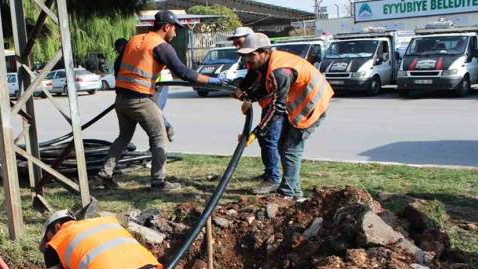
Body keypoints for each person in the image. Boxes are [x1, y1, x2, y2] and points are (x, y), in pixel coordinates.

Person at [98, 10, 224, 192]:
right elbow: (184, 73)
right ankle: (159, 182)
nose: (176, 33)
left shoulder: (134, 40)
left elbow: (120, 67)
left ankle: (105, 173)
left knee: (124, 137)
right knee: (159, 137)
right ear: (167, 27)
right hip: (139, 100)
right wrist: (212, 80)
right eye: (175, 29)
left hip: (121, 99)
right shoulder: (160, 46)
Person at [234, 32, 333, 200]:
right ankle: (295, 194)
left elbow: (277, 107)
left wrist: (257, 131)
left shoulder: (280, 71)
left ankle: (287, 193)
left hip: (312, 106)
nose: (248, 60)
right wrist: (249, 96)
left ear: (265, 52)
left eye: (252, 55)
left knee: (290, 148)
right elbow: (267, 89)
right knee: (283, 145)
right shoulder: (268, 64)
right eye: (246, 55)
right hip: (298, 106)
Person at [229, 28, 281, 188]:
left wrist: (249, 97)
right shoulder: (252, 57)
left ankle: (273, 178)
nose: (236, 45)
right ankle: (269, 172)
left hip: (277, 105)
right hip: (268, 103)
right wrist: (243, 91)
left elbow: (269, 89)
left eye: (238, 41)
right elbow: (251, 76)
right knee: (266, 140)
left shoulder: (268, 62)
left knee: (269, 139)